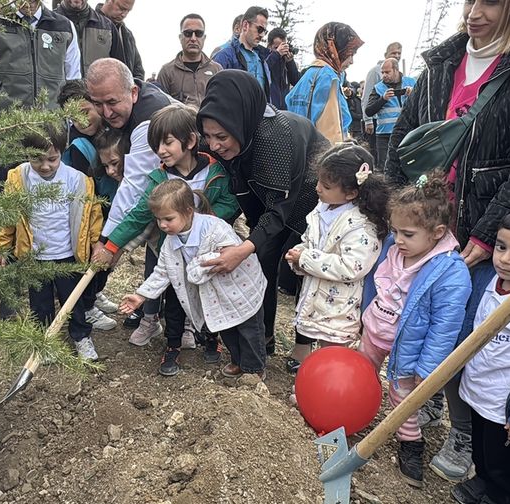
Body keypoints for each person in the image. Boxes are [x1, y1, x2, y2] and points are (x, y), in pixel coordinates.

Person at [384, 0, 510, 482]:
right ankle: (423, 398)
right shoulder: (440, 64)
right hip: (428, 226)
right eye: (470, 0)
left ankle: (466, 429)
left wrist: (487, 232)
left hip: (483, 231)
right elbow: (404, 141)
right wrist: (398, 212)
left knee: (472, 334)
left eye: (490, 2)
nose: (473, 12)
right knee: (416, 316)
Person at [196, 70, 328, 356]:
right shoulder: (228, 136)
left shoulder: (276, 142)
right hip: (257, 182)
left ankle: (302, 344)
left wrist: (245, 247)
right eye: (208, 136)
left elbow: (278, 211)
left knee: (300, 262)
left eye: (221, 136)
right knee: (262, 257)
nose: (214, 145)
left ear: (242, 123)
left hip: (308, 189)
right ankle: (263, 338)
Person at [94, 104, 239, 359]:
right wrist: (111, 244)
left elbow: (230, 202)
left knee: (208, 293)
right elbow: (139, 214)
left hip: (205, 252)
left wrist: (205, 221)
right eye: (156, 145)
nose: (160, 150)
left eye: (167, 143)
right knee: (174, 293)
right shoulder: (159, 179)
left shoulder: (214, 172)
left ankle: (208, 337)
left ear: (191, 140)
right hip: (173, 251)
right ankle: (172, 342)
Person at [358, 174, 472, 487]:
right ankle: (351, 415)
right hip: (375, 332)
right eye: (395, 231)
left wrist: (428, 368)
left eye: (407, 234)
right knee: (360, 376)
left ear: (437, 233)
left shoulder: (450, 272)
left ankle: (411, 443)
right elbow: (377, 288)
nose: (398, 239)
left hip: (407, 349)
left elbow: (444, 326)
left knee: (403, 400)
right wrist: (363, 318)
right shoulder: (396, 251)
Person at [119, 180, 268, 378]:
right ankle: (238, 361)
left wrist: (198, 265)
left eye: (168, 219)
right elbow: (162, 271)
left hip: (240, 287)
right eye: (158, 219)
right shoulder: (171, 242)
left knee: (249, 329)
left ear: (188, 211)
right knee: (227, 327)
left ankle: (254, 369)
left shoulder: (214, 228)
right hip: (218, 294)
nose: (163, 225)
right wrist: (141, 295)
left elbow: (231, 251)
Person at [452, 206, 510, 504]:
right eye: (501, 247)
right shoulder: (488, 280)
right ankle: (482, 480)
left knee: (505, 465)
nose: (505, 258)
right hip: (479, 391)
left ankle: (501, 496)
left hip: (507, 409)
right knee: (481, 450)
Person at [0, 124, 103, 361]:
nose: (45, 166)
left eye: (52, 159)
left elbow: (92, 215)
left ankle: (81, 337)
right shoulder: (18, 178)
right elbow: (8, 215)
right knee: (40, 304)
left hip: (67, 253)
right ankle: (45, 342)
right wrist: (1, 245)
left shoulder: (77, 180)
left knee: (73, 302)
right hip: (35, 255)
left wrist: (95, 243)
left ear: (61, 153)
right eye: (37, 159)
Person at [283, 143, 389, 373]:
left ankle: (325, 397)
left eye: (326, 185)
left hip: (340, 305)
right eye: (319, 181)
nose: (318, 188)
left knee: (332, 355)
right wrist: (300, 253)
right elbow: (311, 241)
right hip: (317, 296)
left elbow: (352, 266)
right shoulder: (324, 209)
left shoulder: (362, 226)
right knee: (319, 354)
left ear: (351, 193)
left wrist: (306, 259)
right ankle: (309, 390)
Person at [85, 58, 173, 327]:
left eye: (112, 102)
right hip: (162, 188)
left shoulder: (148, 120)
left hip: (193, 190)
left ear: (133, 92)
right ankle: (150, 314)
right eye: (98, 104)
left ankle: (172, 323)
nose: (106, 113)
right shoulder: (126, 110)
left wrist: (108, 242)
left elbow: (134, 189)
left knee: (169, 253)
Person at [56, 81, 119, 331]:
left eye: (85, 111)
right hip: (93, 212)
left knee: (110, 258)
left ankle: (94, 293)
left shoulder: (112, 131)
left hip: (113, 205)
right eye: (73, 118)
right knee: (96, 257)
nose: (81, 121)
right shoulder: (79, 147)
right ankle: (87, 304)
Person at [0, 1, 81, 125]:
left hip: (53, 134)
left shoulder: (65, 27)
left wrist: (70, 127)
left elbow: (73, 83)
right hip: (2, 133)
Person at [285, 22, 363, 142]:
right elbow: (331, 130)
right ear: (336, 49)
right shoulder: (328, 78)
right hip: (323, 154)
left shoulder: (309, 75)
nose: (351, 61)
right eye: (349, 54)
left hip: (301, 147)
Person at [155, 14, 222, 107]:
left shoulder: (217, 70)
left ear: (204, 38)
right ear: (180, 37)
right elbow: (160, 107)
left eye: (199, 33)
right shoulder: (166, 72)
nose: (193, 38)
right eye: (188, 33)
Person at [212, 6, 274, 105]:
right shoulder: (224, 56)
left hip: (260, 118)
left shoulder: (263, 60)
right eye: (259, 29)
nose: (262, 35)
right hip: (233, 117)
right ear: (245, 25)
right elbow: (214, 95)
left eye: (264, 32)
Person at [364, 59, 415, 170]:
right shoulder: (378, 88)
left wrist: (414, 95)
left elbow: (424, 103)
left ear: (396, 70)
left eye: (387, 72)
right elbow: (369, 111)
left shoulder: (411, 82)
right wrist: (383, 99)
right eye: (382, 72)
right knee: (385, 169)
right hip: (384, 135)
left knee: (408, 166)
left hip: (407, 132)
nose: (384, 75)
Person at [55, 0, 125, 76]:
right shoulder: (47, 24)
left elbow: (121, 71)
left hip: (96, 87)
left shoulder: (107, 27)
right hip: (58, 87)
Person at [361, 42, 402, 166]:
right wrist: (368, 120)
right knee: (381, 162)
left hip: (400, 129)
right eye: (393, 53)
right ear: (386, 54)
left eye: (399, 53)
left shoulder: (408, 81)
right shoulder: (375, 73)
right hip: (379, 126)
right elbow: (367, 97)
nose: (397, 56)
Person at [97, 0, 143, 80]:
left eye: (128, 11)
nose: (124, 14)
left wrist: (133, 87)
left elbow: (138, 70)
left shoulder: (128, 35)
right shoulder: (88, 25)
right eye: (121, 8)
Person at [264, 27, 300, 109]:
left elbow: (296, 81)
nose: (281, 50)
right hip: (269, 110)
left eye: (283, 47)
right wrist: (276, 54)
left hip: (284, 112)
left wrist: (290, 62)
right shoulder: (265, 59)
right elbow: (264, 71)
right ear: (269, 46)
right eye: (277, 47)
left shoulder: (285, 61)